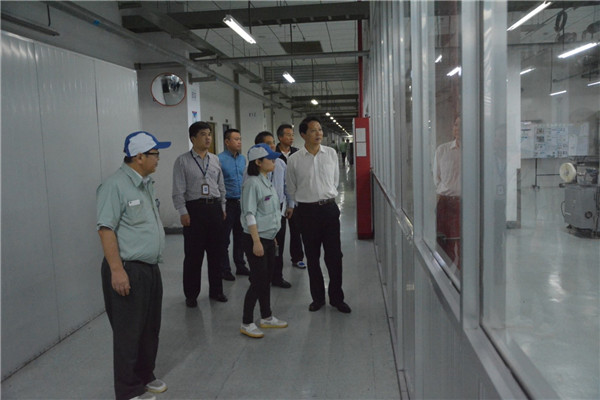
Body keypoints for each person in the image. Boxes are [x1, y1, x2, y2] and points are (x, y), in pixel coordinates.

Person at [96, 131, 171, 400]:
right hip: (128, 268)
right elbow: (106, 229)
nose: (158, 158)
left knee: (150, 328)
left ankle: (144, 375)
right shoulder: (114, 186)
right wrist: (117, 271)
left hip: (150, 268)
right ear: (139, 157)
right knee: (128, 333)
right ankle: (128, 391)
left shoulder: (146, 183)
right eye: (155, 154)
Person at [286, 116, 351, 314]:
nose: (319, 133)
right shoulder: (294, 160)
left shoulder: (330, 154)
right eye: (314, 130)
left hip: (329, 210)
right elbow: (291, 187)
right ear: (303, 134)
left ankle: (337, 298)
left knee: (334, 256)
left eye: (320, 129)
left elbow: (335, 181)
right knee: (312, 257)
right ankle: (318, 298)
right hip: (306, 212)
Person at [172, 121, 228, 307]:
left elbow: (220, 185)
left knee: (216, 252)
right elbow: (178, 189)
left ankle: (216, 291)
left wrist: (223, 207)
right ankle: (191, 295)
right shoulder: (182, 161)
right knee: (193, 255)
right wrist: (182, 211)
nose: (208, 138)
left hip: (214, 208)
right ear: (193, 138)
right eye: (203, 134)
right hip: (194, 210)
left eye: (209, 134)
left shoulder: (215, 159)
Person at [240, 143, 289, 338]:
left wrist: (273, 237)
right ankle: (246, 322)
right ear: (258, 162)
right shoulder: (252, 184)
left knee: (266, 279)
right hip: (256, 239)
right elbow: (250, 214)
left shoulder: (267, 182)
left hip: (268, 238)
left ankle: (266, 316)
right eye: (270, 159)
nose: (274, 161)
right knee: (258, 281)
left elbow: (271, 214)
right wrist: (256, 241)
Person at [255, 131, 294, 288]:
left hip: (278, 211)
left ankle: (277, 277)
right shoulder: (252, 167)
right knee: (263, 246)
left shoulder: (280, 164)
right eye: (268, 143)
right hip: (261, 213)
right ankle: (261, 278)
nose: (272, 146)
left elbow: (286, 186)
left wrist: (290, 204)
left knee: (278, 246)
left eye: (273, 142)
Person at [218, 128, 250, 281]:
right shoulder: (219, 159)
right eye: (236, 139)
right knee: (224, 238)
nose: (239, 142)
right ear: (227, 141)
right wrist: (221, 206)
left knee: (240, 236)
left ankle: (240, 265)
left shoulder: (243, 159)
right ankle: (224, 269)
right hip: (227, 204)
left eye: (240, 139)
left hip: (241, 203)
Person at [275, 124, 306, 270]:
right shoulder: (273, 154)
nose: (291, 137)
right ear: (280, 137)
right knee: (278, 232)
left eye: (292, 135)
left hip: (294, 197)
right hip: (278, 199)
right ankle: (276, 260)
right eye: (288, 135)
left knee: (296, 230)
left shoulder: (297, 153)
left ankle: (297, 258)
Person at [433, 116, 461, 270]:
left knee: (465, 244)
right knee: (444, 245)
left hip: (465, 203)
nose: (458, 128)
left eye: (461, 125)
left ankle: (462, 279)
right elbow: (436, 178)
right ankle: (444, 277)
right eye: (456, 125)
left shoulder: (474, 152)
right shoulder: (442, 150)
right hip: (445, 203)